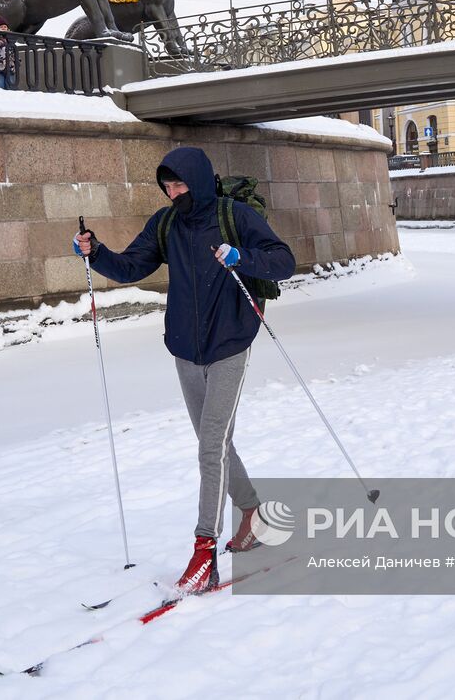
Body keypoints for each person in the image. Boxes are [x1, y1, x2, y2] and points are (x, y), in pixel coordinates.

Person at [73, 147, 295, 594]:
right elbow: (132, 265)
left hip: (231, 342)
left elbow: (283, 260)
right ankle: (252, 512)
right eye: (167, 187)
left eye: (179, 185)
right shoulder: (167, 223)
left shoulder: (235, 217)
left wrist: (241, 257)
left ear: (196, 179)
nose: (174, 193)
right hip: (185, 348)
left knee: (211, 446)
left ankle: (204, 552)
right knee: (213, 442)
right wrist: (95, 252)